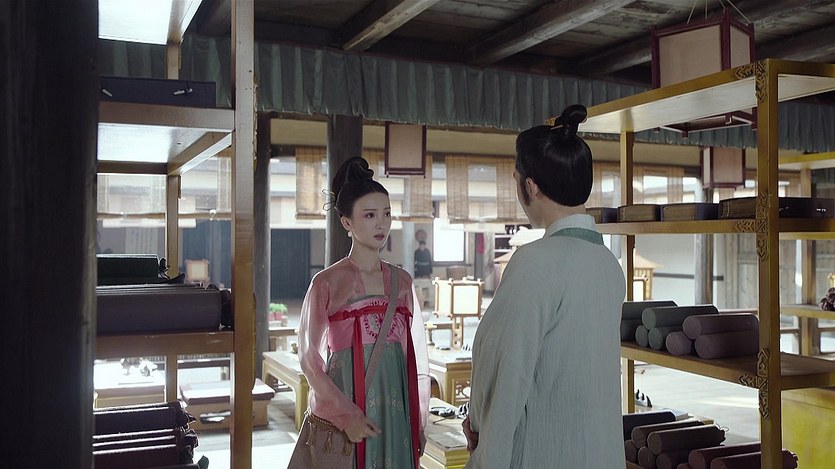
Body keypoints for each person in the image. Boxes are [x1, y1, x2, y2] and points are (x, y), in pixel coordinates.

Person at [462, 104, 626, 468]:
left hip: (545, 451)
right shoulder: (608, 265)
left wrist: (480, 431)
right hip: (598, 450)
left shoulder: (534, 262)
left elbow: (505, 368)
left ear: (530, 187)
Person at [289, 157, 430, 469]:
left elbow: (416, 356)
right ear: (347, 223)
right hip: (350, 411)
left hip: (395, 411)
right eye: (369, 215)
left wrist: (419, 421)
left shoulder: (402, 283)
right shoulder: (326, 283)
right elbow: (310, 360)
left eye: (386, 214)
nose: (381, 224)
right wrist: (345, 415)